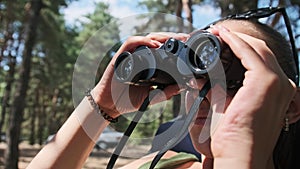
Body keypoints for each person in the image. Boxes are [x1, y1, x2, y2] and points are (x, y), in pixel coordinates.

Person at [27, 9, 300, 169]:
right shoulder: (164, 164)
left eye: (233, 78)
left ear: (290, 105)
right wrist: (102, 106)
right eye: (195, 73)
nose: (204, 92)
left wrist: (239, 151)